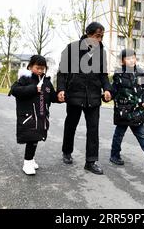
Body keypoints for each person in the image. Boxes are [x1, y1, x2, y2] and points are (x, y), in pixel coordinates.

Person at [57, 22, 112, 175]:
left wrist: (107, 89)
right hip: (75, 94)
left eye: (101, 37)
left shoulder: (101, 52)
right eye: (97, 36)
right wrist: (61, 89)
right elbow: (62, 72)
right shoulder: (72, 48)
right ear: (88, 34)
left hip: (93, 96)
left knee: (93, 129)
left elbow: (103, 75)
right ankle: (67, 151)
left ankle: (91, 161)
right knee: (71, 125)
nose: (99, 40)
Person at [109, 49, 144, 168]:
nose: (131, 60)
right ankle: (114, 155)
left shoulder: (140, 72)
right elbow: (114, 89)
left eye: (133, 57)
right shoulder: (119, 73)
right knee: (119, 135)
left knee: (142, 134)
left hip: (136, 110)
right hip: (123, 110)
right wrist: (108, 96)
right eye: (128, 58)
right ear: (122, 61)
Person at [9, 55, 59, 176]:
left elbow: (53, 97)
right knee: (32, 138)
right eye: (38, 68)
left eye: (43, 68)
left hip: (41, 116)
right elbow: (14, 90)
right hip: (29, 116)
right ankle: (27, 162)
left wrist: (60, 98)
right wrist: (32, 89)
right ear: (30, 67)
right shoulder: (25, 79)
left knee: (36, 138)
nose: (41, 71)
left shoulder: (46, 82)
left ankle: (31, 159)